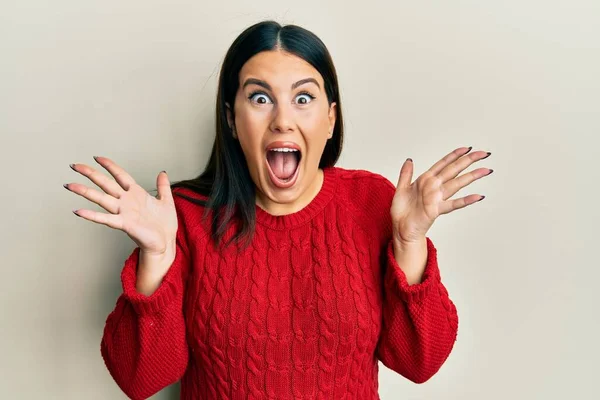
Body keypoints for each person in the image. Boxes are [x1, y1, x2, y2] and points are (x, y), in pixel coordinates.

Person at [66, 20, 493, 400]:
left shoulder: (373, 204)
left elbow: (421, 363)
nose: (282, 121)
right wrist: (156, 260)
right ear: (232, 120)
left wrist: (409, 243)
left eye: (303, 98)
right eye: (260, 99)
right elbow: (139, 380)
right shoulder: (183, 218)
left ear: (330, 119)